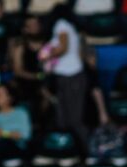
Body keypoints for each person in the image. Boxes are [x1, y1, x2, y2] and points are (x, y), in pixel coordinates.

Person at [42, 4, 88, 150]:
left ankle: (86, 150)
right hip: (68, 75)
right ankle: (68, 150)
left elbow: (63, 48)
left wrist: (46, 55)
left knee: (73, 119)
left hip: (71, 76)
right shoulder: (71, 27)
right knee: (63, 119)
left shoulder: (61, 24)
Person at [10, 17, 49, 126]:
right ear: (25, 29)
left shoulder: (47, 44)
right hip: (26, 85)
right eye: (31, 25)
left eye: (36, 24)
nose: (34, 27)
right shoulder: (20, 46)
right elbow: (18, 71)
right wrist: (37, 76)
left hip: (45, 82)